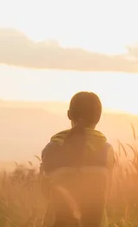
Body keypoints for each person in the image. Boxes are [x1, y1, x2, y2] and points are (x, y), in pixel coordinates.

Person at [40, 91, 115, 227]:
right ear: (98, 118)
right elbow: (107, 194)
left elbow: (45, 192)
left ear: (69, 114)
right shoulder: (106, 150)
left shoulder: (51, 149)